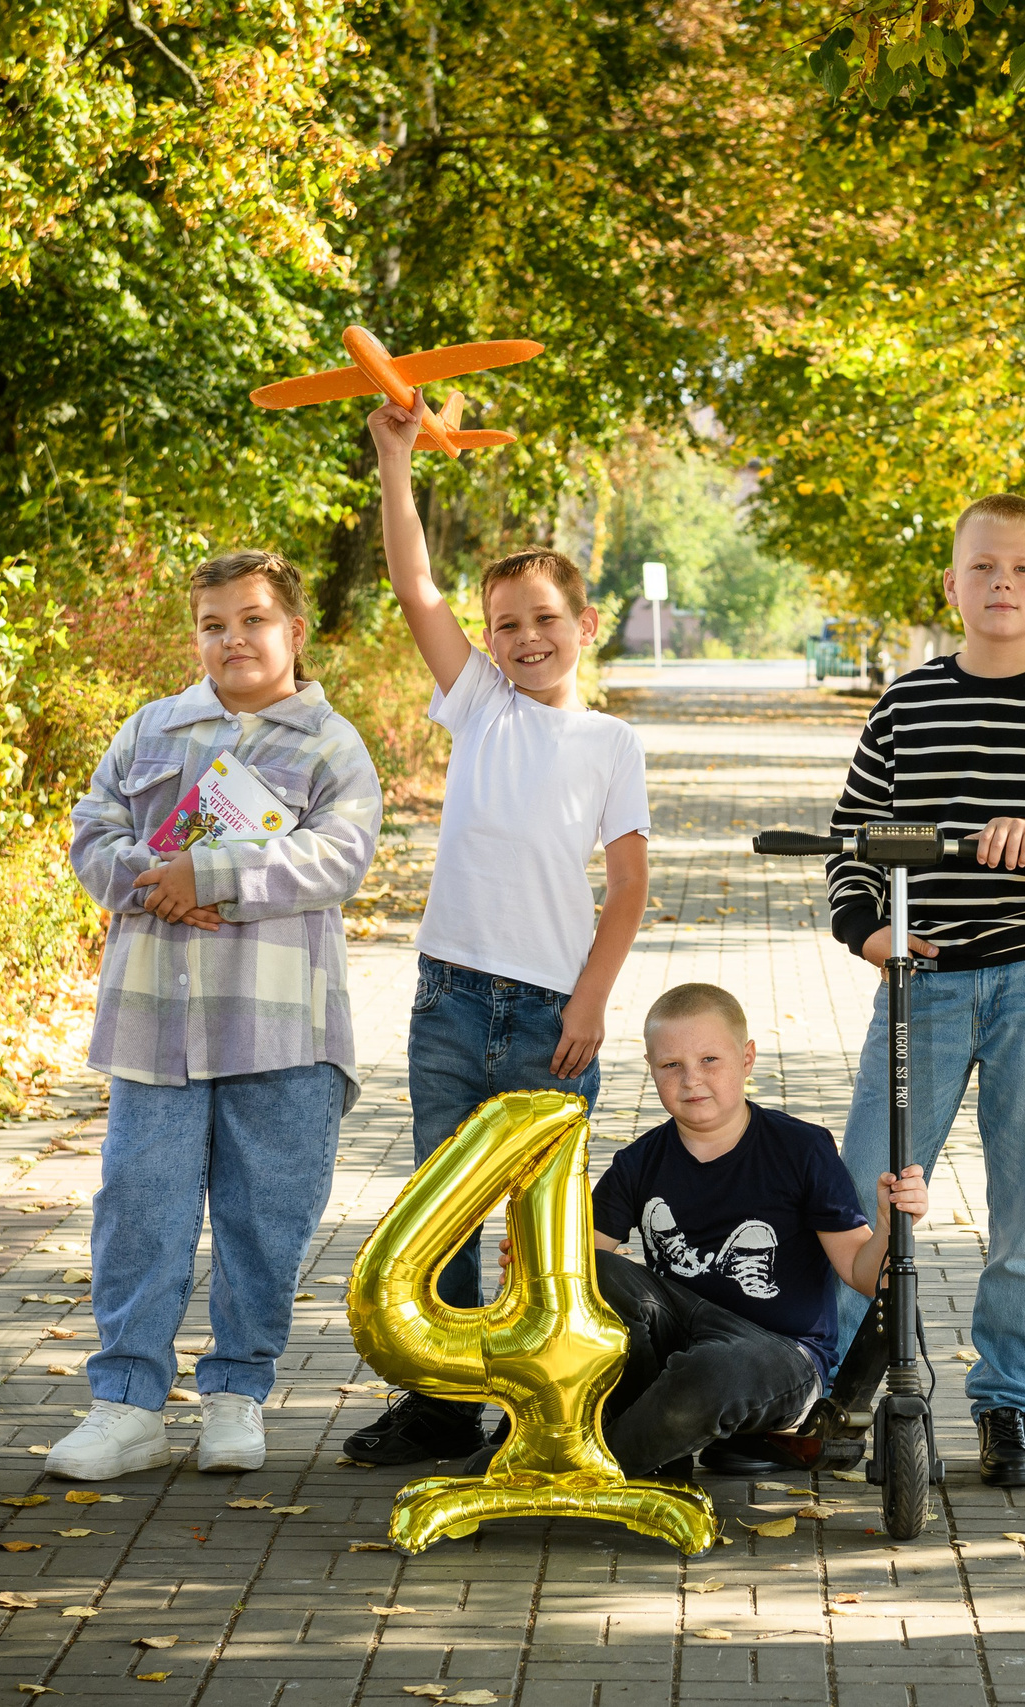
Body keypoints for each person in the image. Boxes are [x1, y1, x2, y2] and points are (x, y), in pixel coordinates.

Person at [344, 392, 653, 1468]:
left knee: (542, 1230)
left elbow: (626, 890)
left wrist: (591, 1002)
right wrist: (397, 460)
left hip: (548, 1016)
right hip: (449, 998)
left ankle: (540, 1413)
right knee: (440, 1217)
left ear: (584, 625)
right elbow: (413, 585)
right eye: (506, 624)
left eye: (543, 621)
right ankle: (440, 1406)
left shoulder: (611, 742)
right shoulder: (478, 704)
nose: (524, 640)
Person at [826, 493, 1025, 1488]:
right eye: (981, 568)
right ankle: (836, 1393)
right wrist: (866, 931)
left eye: (1019, 570)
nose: (999, 585)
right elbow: (851, 841)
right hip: (923, 985)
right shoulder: (907, 705)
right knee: (862, 1194)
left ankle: (1008, 1406)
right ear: (952, 585)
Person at [55, 550, 383, 1479]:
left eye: (252, 620)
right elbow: (92, 832)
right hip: (154, 1022)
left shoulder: (332, 745)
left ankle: (237, 1394)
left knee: (263, 1217)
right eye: (213, 624)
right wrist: (157, 882)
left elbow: (340, 858)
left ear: (293, 630)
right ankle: (126, 1405)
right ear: (195, 633)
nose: (232, 638)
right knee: (139, 1209)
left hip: (282, 1028)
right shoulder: (150, 730)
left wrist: (219, 875)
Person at [517, 982, 930, 1477]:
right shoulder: (638, 1162)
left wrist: (888, 1226)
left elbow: (865, 1275)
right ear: (652, 1070)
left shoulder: (802, 1149)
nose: (692, 1080)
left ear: (747, 1058)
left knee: (712, 1371)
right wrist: (532, 1261)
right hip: (677, 1342)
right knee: (589, 1270)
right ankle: (638, 1455)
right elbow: (581, 1275)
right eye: (672, 1065)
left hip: (776, 1355)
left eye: (710, 1059)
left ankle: (578, 1472)